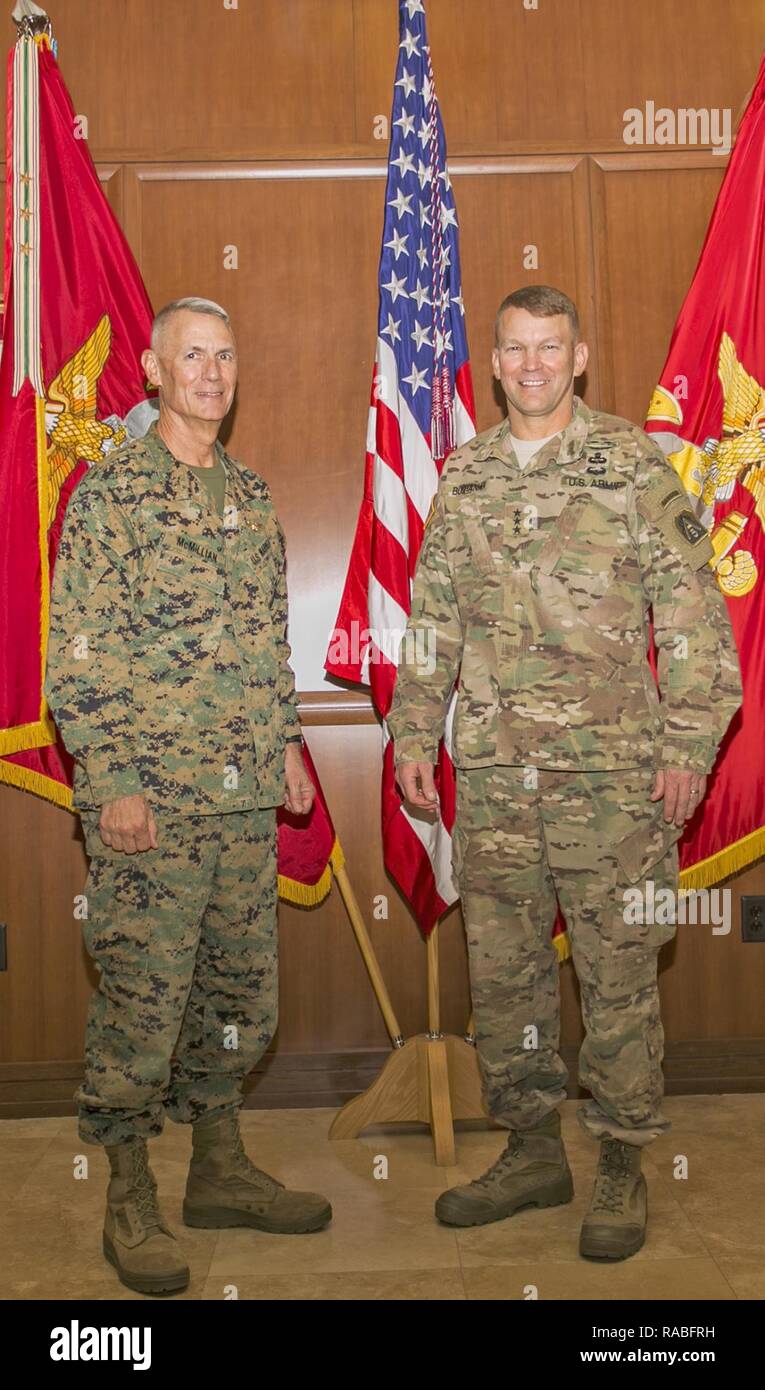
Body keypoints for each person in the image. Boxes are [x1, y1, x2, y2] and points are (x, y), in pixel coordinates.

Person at [387, 284, 742, 1261]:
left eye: (551, 347)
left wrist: (684, 750)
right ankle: (533, 1148)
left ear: (580, 357)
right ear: (494, 364)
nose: (534, 364)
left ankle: (623, 1163)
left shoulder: (635, 464)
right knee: (502, 979)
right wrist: (413, 730)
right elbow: (433, 620)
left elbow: (697, 623)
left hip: (610, 785)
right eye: (516, 349)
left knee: (618, 977)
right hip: (498, 783)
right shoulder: (464, 477)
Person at [44, 297, 331, 1297]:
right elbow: (78, 650)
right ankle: (128, 1192)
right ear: (155, 372)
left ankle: (218, 1170)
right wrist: (111, 782)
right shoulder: (111, 491)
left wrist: (289, 742)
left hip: (245, 797)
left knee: (238, 1001)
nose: (212, 372)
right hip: (152, 803)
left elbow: (264, 641)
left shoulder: (248, 498)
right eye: (192, 356)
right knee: (141, 1000)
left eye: (226, 355)